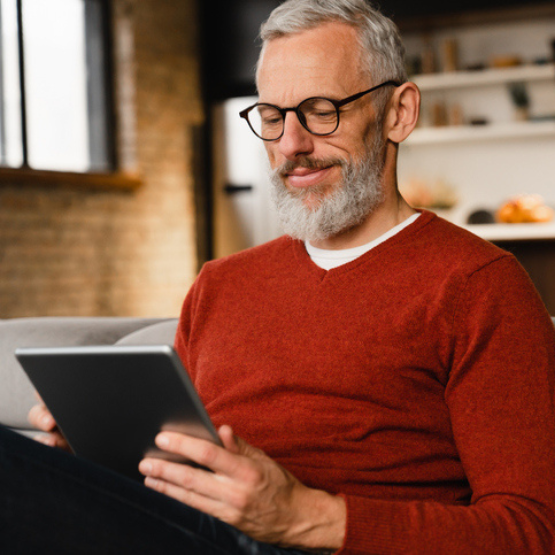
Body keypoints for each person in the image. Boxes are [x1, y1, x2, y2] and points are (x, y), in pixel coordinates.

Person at [4, 0, 555, 553]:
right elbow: (182, 466)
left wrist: (304, 518)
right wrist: (101, 465)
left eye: (321, 111)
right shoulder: (221, 285)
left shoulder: (480, 285)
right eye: (272, 117)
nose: (291, 145)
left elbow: (534, 530)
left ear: (398, 113)